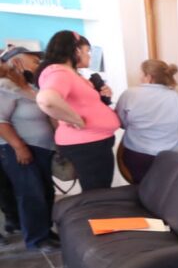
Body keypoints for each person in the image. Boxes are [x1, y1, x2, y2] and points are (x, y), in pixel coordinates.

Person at [35, 31, 120, 190]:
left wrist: (100, 96)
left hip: (92, 142)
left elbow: (80, 102)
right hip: (87, 144)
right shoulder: (59, 72)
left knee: (98, 189)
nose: (89, 56)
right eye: (87, 51)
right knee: (97, 193)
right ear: (77, 50)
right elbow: (47, 99)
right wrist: (76, 119)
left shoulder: (70, 73)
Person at [0, 61, 58, 250]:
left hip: (42, 148)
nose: (36, 63)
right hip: (23, 150)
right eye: (32, 60)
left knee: (46, 192)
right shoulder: (5, 86)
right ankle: (37, 239)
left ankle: (45, 232)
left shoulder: (30, 87)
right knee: (32, 194)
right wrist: (19, 147)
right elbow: (1, 121)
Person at [115, 59, 178, 183]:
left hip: (138, 155)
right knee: (168, 189)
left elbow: (121, 123)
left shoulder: (129, 94)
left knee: (140, 186)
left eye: (141, 74)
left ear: (149, 77)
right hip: (172, 157)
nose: (140, 78)